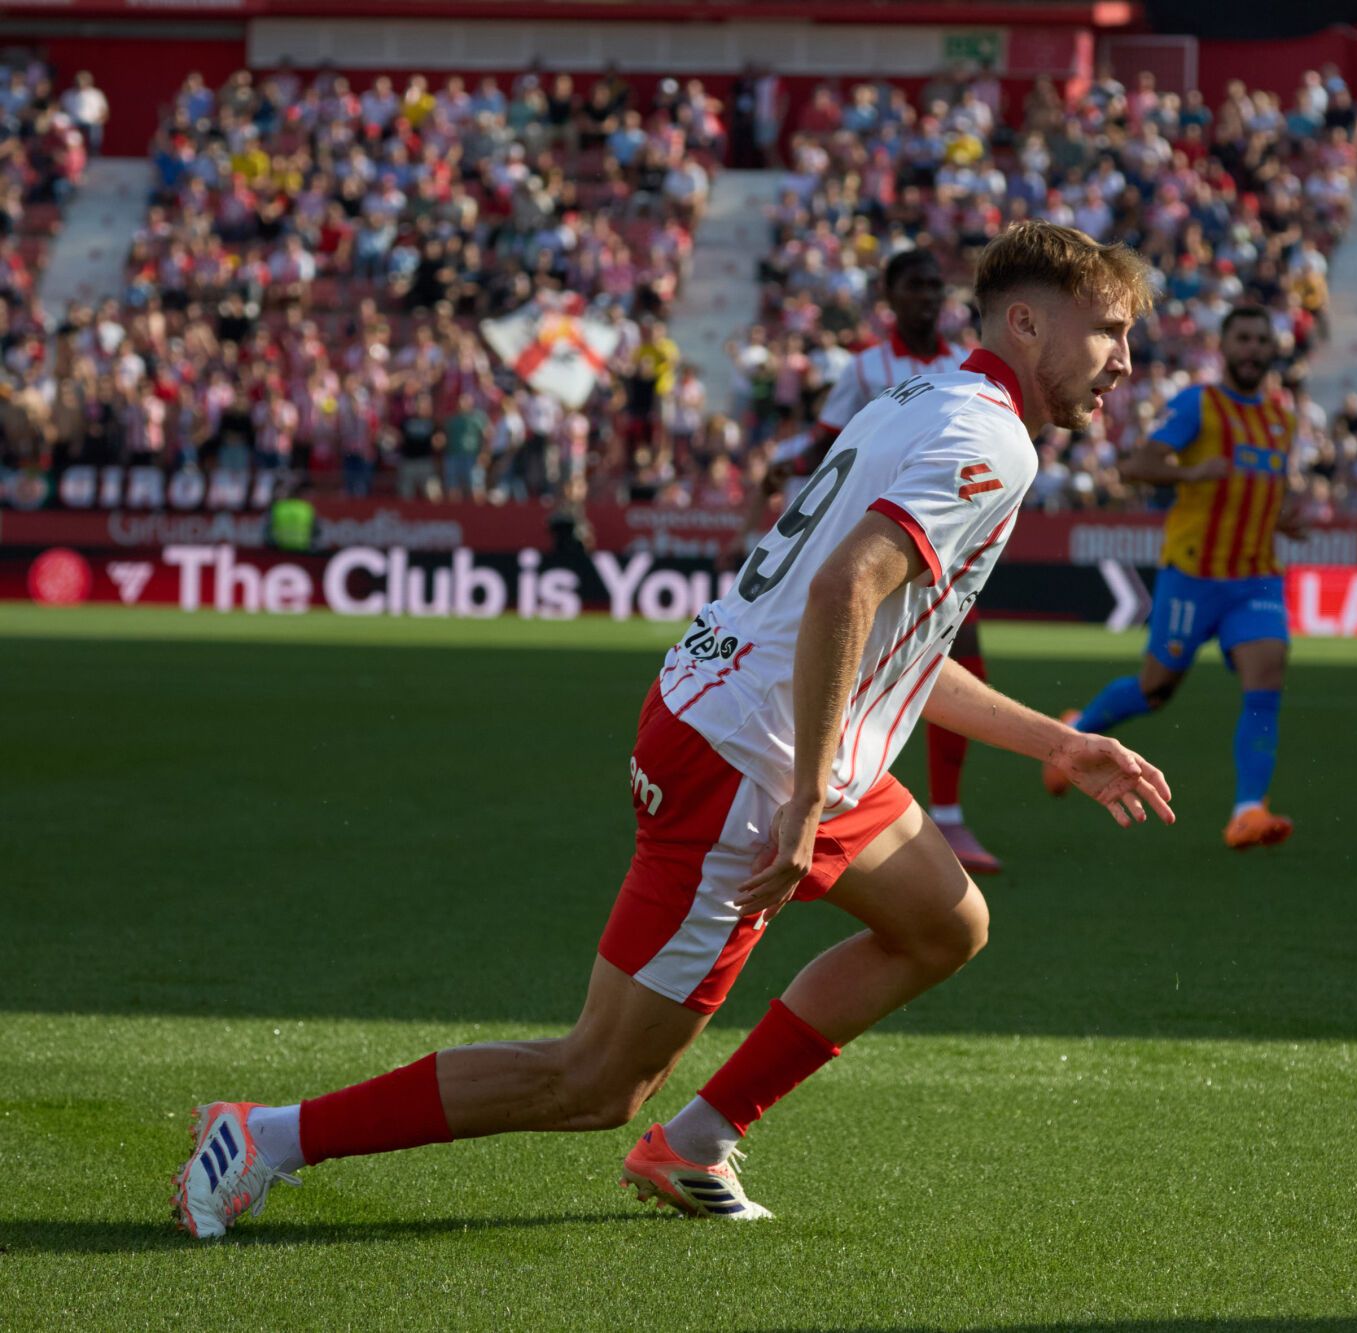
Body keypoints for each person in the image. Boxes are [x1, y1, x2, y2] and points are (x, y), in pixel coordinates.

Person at [174, 220, 1173, 1237]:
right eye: (1106, 333)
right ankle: (265, 1136)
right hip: (751, 762)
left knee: (942, 922)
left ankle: (692, 1143)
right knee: (595, 1078)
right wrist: (797, 807)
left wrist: (1053, 743)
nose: (1123, 363)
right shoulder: (987, 438)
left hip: (759, 723)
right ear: (1023, 322)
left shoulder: (923, 397)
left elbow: (880, 639)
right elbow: (842, 591)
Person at [745, 248, 1006, 876]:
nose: (927, 297)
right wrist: (789, 458)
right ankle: (797, 796)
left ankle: (947, 814)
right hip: (868, 534)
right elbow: (835, 440)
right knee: (838, 656)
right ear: (889, 295)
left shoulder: (962, 364)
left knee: (956, 661)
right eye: (913, 285)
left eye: (933, 285)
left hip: (934, 538)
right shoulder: (866, 368)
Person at [1049, 305, 1301, 851]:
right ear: (1226, 347)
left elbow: (1257, 487)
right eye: (1244, 338)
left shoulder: (1283, 417)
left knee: (1267, 681)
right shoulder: (1199, 406)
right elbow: (1136, 466)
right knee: (1154, 690)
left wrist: (1282, 517)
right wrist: (1191, 472)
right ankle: (1077, 730)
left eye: (1262, 338)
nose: (1254, 348)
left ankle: (1248, 811)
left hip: (1255, 578)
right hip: (1193, 575)